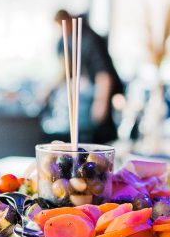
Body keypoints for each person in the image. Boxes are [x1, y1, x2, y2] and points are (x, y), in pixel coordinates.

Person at [52, 9, 124, 144]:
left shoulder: (89, 39)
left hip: (98, 95)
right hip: (81, 99)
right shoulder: (65, 41)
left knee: (99, 138)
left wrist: (100, 102)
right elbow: (64, 70)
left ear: (68, 20)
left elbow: (103, 73)